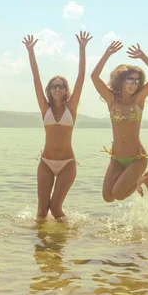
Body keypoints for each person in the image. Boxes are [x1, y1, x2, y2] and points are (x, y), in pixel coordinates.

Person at [22, 31, 92, 220]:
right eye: (54, 86)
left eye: (61, 86)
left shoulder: (71, 109)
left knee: (55, 208)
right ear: (49, 90)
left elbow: (81, 77)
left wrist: (82, 48)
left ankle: (64, 242)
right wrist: (30, 52)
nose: (57, 89)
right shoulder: (45, 109)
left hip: (67, 163)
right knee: (42, 212)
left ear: (66, 90)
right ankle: (42, 247)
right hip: (46, 162)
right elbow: (36, 79)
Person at [91, 41, 148, 201]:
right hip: (116, 158)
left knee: (119, 195)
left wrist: (143, 56)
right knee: (108, 197)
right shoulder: (112, 100)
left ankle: (144, 178)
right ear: (121, 80)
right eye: (130, 79)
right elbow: (94, 77)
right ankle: (137, 181)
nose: (134, 84)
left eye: (137, 81)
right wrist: (107, 54)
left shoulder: (138, 100)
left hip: (137, 158)